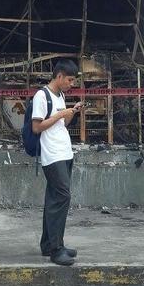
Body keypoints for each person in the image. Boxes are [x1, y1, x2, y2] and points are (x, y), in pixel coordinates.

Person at [30, 59, 85, 267]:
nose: (71, 84)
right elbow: (37, 127)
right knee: (62, 197)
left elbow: (61, 124)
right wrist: (61, 113)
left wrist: (71, 112)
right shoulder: (41, 96)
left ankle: (48, 244)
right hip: (51, 154)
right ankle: (56, 249)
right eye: (70, 80)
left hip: (64, 152)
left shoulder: (60, 95)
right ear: (59, 76)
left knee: (54, 197)